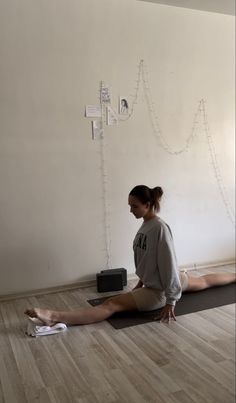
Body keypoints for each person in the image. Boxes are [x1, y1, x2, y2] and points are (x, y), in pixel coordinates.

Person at [25, 185, 236, 326]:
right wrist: (141, 281)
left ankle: (53, 316)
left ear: (148, 205)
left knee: (111, 305)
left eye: (134, 206)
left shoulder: (159, 228)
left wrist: (171, 301)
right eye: (129, 205)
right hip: (158, 282)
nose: (130, 210)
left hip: (159, 291)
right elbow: (145, 257)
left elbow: (168, 264)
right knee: (205, 281)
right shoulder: (146, 225)